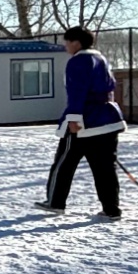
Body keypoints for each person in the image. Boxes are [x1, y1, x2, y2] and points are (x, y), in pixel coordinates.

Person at [37, 25, 124, 221]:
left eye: (67, 42)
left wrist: (75, 118)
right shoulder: (101, 59)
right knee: (105, 168)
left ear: (76, 42)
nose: (66, 46)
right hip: (108, 120)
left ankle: (55, 202)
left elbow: (77, 92)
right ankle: (112, 209)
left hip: (85, 121)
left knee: (64, 163)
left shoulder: (78, 62)